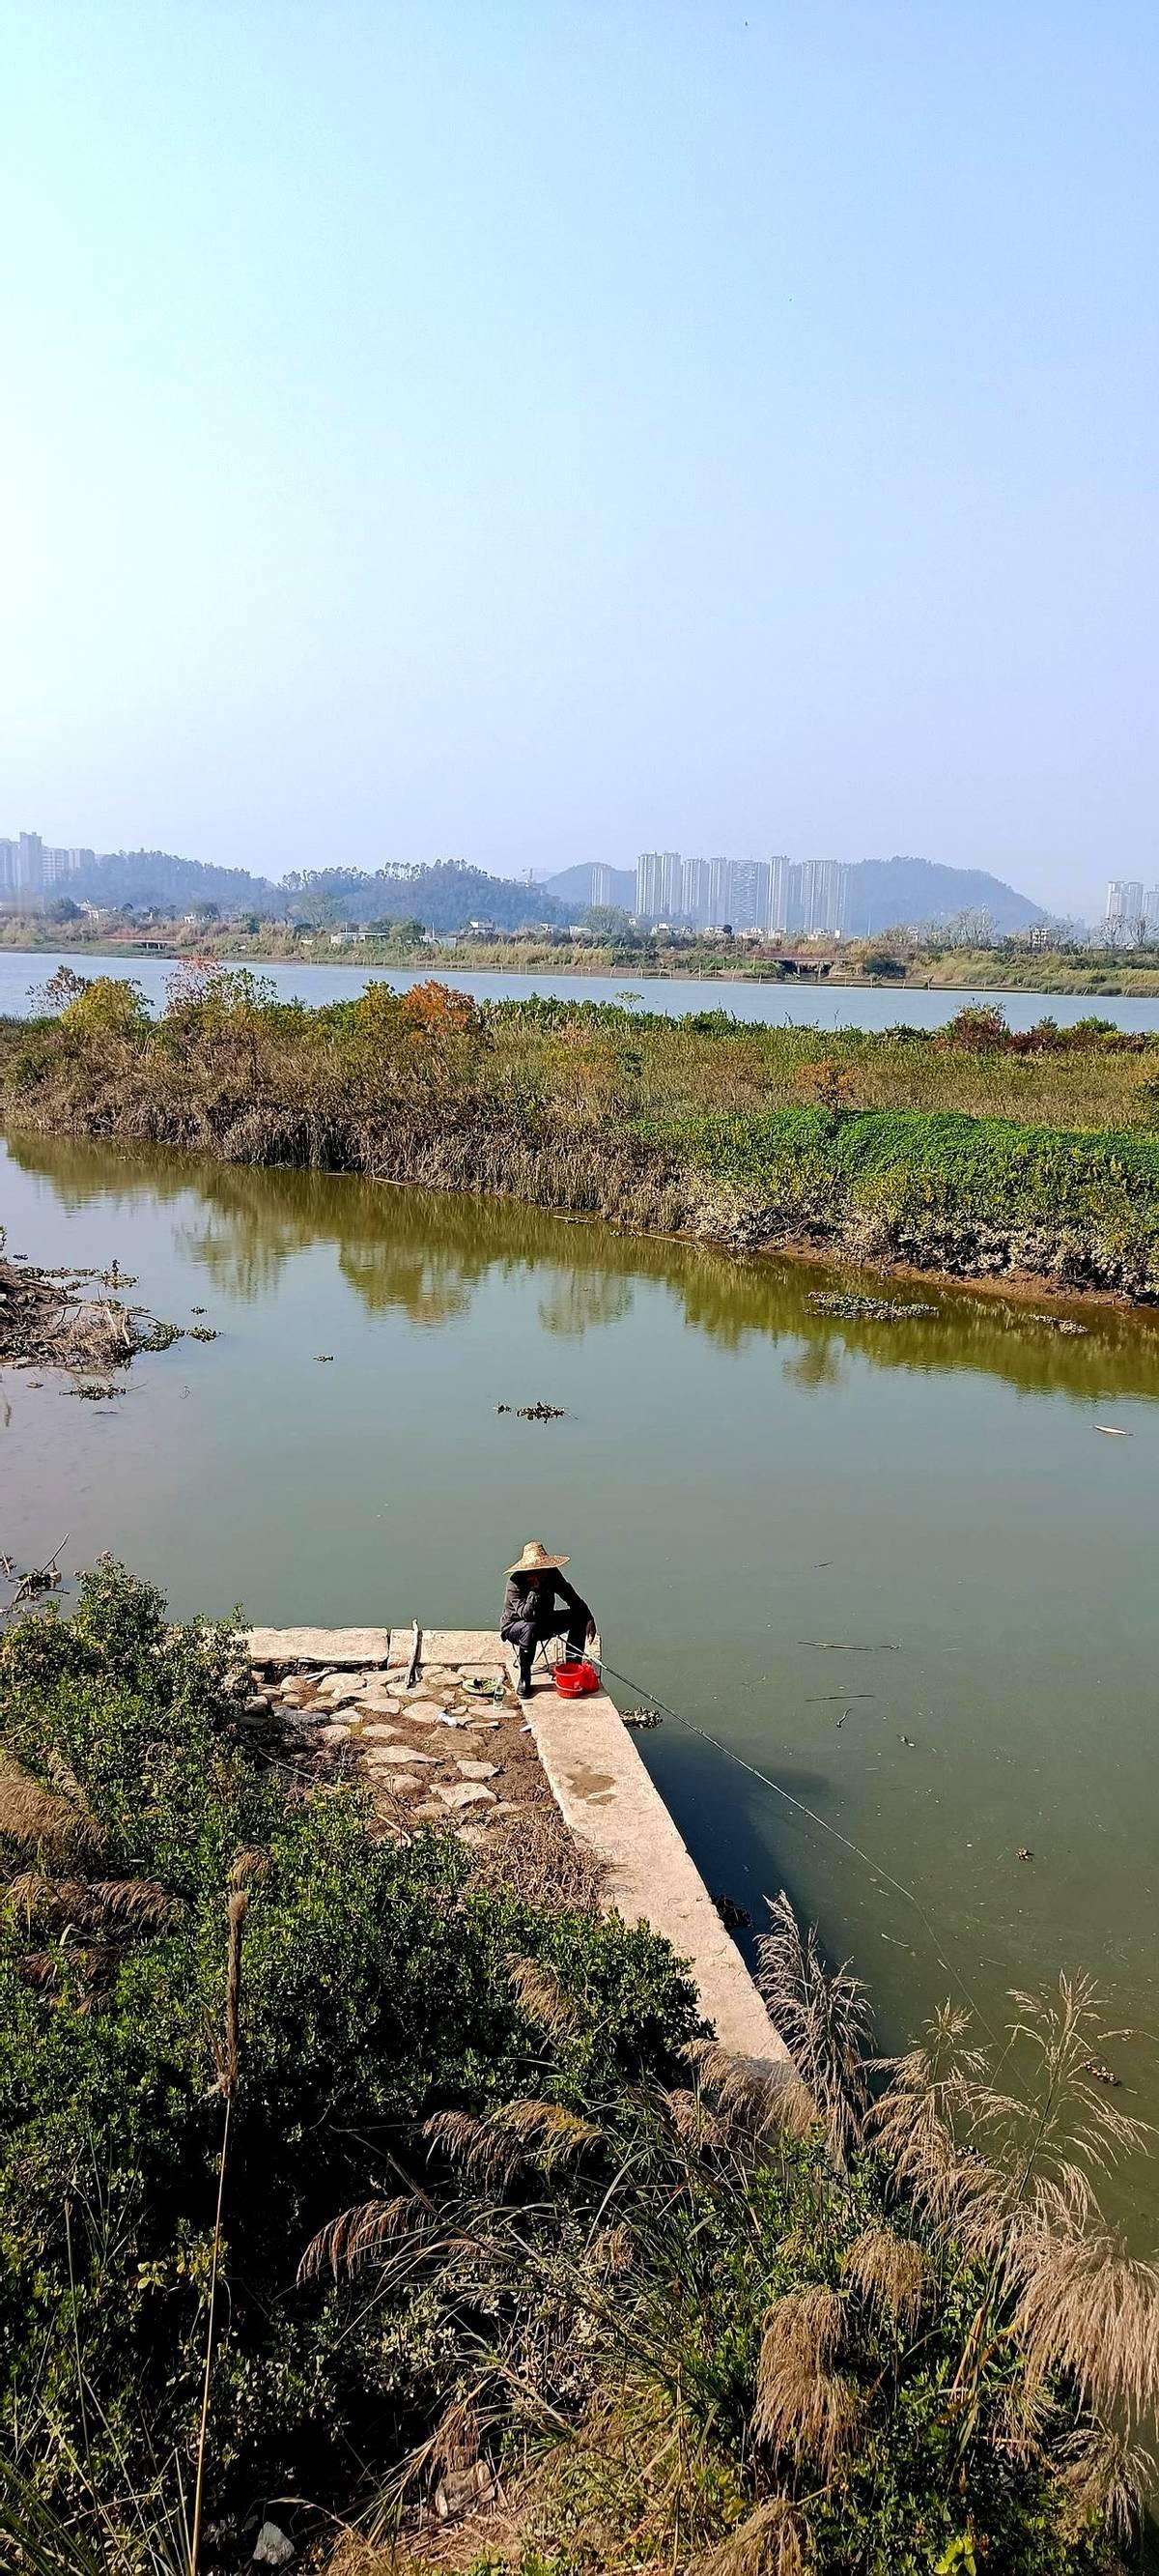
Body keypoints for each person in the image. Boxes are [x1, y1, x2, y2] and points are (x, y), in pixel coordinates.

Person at [500, 1538, 596, 1699]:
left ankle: (572, 1667)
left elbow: (570, 1596)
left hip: (544, 1621)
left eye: (542, 1568)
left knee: (578, 1616)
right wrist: (535, 1590)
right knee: (529, 1627)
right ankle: (525, 1678)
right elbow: (527, 1615)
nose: (540, 1572)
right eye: (536, 1569)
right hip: (516, 1627)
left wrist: (588, 1617)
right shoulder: (515, 1583)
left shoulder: (552, 1575)